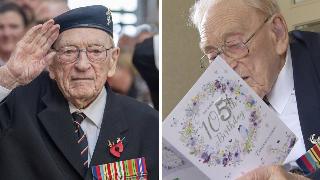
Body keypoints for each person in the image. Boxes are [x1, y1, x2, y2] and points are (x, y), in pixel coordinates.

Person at [0, 5, 158, 180]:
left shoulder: (148, 123)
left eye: (96, 51)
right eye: (69, 51)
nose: (82, 65)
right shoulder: (18, 109)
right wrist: (8, 76)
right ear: (51, 64)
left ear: (113, 60)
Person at [190, 0, 320, 179]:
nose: (226, 67)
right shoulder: (212, 110)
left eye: (235, 45)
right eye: (213, 55)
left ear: (277, 33)